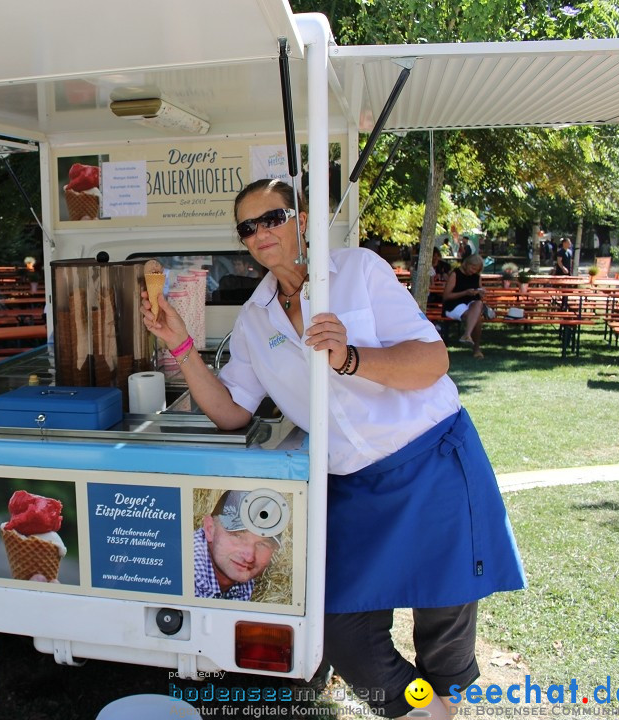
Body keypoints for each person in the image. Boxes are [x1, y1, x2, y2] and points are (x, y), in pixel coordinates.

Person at [141, 179, 524, 719]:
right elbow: (232, 412)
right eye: (247, 228)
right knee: (345, 630)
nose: (259, 234)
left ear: (301, 220)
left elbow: (432, 362)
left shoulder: (359, 271)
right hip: (355, 487)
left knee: (444, 628)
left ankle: (443, 707)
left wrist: (350, 358)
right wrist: (178, 343)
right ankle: (421, 711)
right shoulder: (255, 319)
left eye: (271, 218)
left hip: (433, 465)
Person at [194, 490, 281, 601]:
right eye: (238, 536)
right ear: (210, 529)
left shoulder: (241, 581)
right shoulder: (187, 577)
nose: (249, 557)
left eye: (262, 544)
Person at [442, 254, 490, 359]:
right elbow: (446, 296)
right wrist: (465, 293)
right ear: (467, 264)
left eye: (476, 269)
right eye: (472, 268)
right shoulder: (455, 274)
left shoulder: (476, 276)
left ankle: (467, 334)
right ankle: (476, 349)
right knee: (476, 318)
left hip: (471, 304)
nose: (473, 271)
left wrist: (480, 293)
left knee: (478, 304)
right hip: (454, 304)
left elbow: (479, 290)